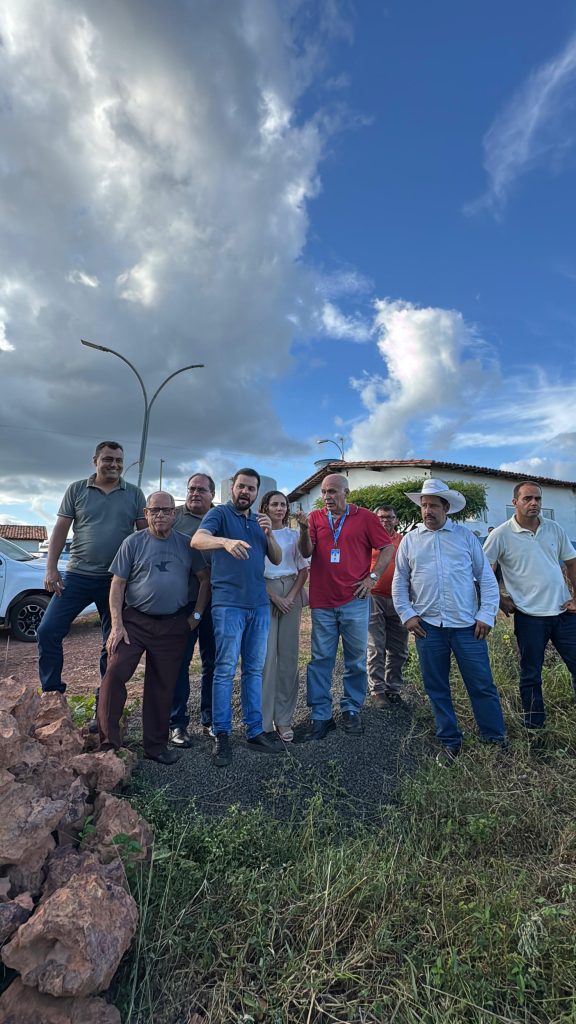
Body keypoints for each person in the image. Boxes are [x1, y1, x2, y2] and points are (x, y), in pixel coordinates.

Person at [392, 479, 507, 763]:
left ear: (446, 507)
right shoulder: (410, 541)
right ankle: (449, 741)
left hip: (468, 627)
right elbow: (399, 582)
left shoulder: (465, 537)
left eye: (433, 505)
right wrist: (407, 615)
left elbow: (486, 579)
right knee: (436, 687)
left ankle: (494, 739)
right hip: (428, 628)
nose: (427, 510)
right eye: (424, 505)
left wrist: (486, 614)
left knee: (481, 684)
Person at [97, 491, 208, 765]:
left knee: (162, 686)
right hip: (135, 622)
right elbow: (117, 584)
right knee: (114, 673)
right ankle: (108, 744)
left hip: (172, 624)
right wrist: (116, 625)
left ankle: (155, 747)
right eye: (154, 510)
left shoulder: (187, 544)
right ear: (146, 514)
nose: (160, 515)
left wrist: (196, 615)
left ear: (174, 514)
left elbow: (205, 579)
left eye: (165, 510)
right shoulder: (133, 542)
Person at [37, 442, 146, 702]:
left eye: (119, 460)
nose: (114, 464)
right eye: (108, 459)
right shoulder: (76, 489)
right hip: (77, 575)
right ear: (95, 460)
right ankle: (52, 694)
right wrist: (51, 568)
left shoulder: (134, 493)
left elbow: (145, 535)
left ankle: (104, 701)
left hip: (116, 580)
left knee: (113, 641)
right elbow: (61, 529)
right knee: (47, 630)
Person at [191, 468, 285, 766]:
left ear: (257, 493)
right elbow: (197, 539)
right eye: (241, 486)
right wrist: (225, 542)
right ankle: (221, 734)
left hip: (258, 605)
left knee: (253, 670)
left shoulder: (259, 521)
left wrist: (269, 534)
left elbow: (277, 558)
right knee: (224, 669)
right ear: (233, 487)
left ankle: (255, 731)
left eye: (251, 488)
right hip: (228, 605)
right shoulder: (219, 515)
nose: (245, 492)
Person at [295, 474, 394, 741]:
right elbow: (305, 552)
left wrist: (372, 578)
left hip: (354, 600)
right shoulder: (315, 518)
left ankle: (351, 709)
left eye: (332, 491)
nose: (327, 497)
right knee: (320, 660)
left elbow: (387, 548)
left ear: (346, 493)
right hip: (322, 601)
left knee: (355, 660)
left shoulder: (366, 517)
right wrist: (303, 529)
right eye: (324, 492)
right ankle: (321, 715)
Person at [483, 481, 576, 730]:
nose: (534, 503)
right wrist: (499, 599)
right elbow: (482, 570)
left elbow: (572, 562)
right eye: (527, 499)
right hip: (529, 617)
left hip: (564, 612)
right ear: (515, 502)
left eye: (537, 499)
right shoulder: (500, 534)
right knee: (531, 675)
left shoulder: (554, 528)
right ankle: (535, 729)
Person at [169, 472, 216, 746]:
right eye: (191, 489)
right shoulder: (174, 516)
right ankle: (177, 723)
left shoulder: (221, 518)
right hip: (182, 603)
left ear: (212, 495)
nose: (195, 493)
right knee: (180, 663)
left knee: (213, 663)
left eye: (201, 489)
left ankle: (210, 720)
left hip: (216, 603)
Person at [259, 490, 309, 741]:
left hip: (291, 590)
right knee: (267, 659)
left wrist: (289, 597)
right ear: (265, 507)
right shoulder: (258, 534)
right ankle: (264, 721)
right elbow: (254, 571)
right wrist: (274, 597)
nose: (279, 508)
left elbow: (303, 569)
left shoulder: (293, 535)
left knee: (289, 657)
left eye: (283, 505)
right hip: (265, 591)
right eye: (274, 504)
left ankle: (284, 718)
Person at [367, 506, 409, 708]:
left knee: (398, 648)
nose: (385, 521)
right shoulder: (367, 541)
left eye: (390, 517)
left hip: (399, 598)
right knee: (376, 646)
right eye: (381, 517)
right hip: (374, 597)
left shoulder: (404, 541)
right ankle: (377, 691)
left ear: (396, 520)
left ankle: (393, 688)